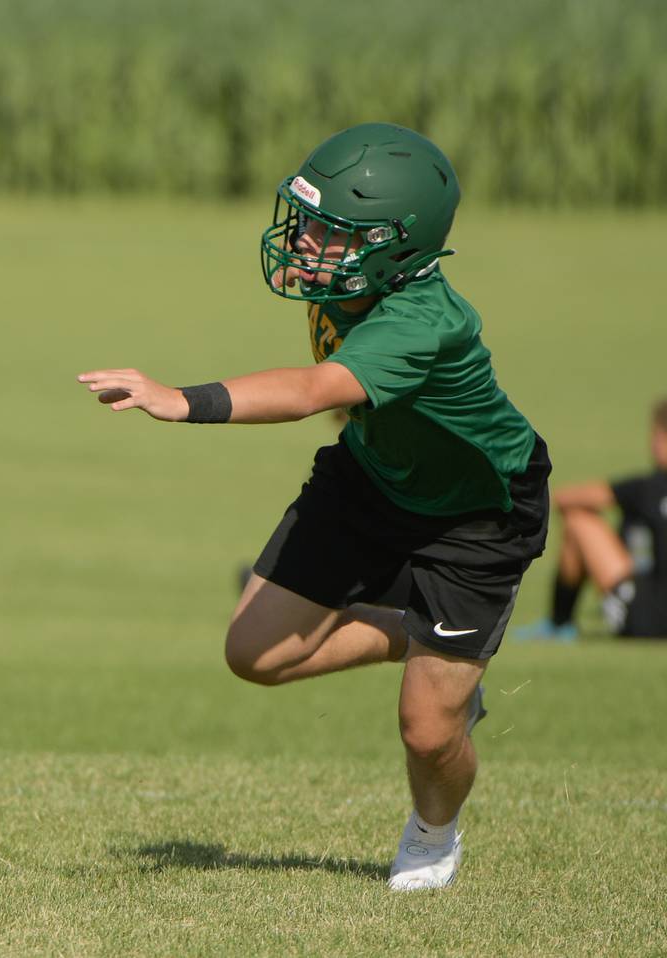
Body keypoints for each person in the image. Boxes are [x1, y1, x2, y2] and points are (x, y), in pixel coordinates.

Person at [80, 123, 550, 892]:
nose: (304, 242)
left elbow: (310, 391)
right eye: (306, 222)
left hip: (478, 514)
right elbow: (356, 401)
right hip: (371, 479)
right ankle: (419, 640)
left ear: (397, 245)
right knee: (254, 656)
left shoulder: (422, 318)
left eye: (331, 232)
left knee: (427, 732)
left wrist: (178, 400)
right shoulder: (345, 284)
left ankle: (433, 837)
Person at [517, 400, 667, 640]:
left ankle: (559, 624)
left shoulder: (648, 488)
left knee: (578, 519)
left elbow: (567, 499)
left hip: (644, 620)